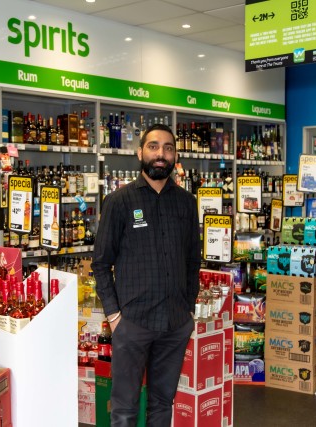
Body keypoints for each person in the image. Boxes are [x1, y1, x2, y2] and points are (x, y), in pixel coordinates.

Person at [92, 123, 201, 426]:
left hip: (175, 323)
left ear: (175, 155)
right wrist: (115, 316)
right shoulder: (119, 202)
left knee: (162, 404)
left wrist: (188, 309)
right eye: (153, 146)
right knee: (124, 409)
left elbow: (193, 260)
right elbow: (100, 264)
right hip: (133, 323)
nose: (161, 154)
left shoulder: (186, 203)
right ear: (140, 153)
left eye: (168, 148)